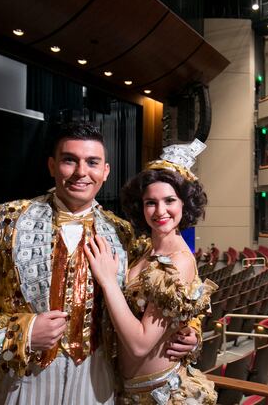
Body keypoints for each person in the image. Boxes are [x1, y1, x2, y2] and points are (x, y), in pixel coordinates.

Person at [0, 122, 198, 404]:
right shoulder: (1, 221)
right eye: (70, 160)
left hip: (100, 378)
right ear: (52, 165)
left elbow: (166, 294)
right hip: (25, 376)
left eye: (92, 162)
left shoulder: (125, 233)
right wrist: (21, 332)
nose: (81, 172)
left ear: (105, 171)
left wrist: (190, 330)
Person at [86, 139, 218, 404]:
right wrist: (190, 329)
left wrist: (109, 282)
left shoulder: (178, 260)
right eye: (150, 202)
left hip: (159, 395)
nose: (160, 211)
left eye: (169, 200)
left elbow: (140, 345)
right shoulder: (146, 250)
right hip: (129, 390)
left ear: (185, 204)